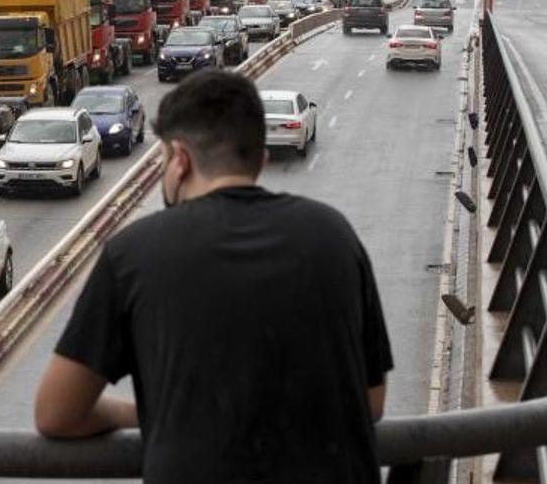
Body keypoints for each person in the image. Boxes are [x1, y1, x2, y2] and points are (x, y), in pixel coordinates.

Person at [34, 69, 393, 483]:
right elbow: (372, 401)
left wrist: (148, 414)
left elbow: (57, 413)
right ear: (261, 159)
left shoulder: (132, 253)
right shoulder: (335, 235)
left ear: (180, 160)